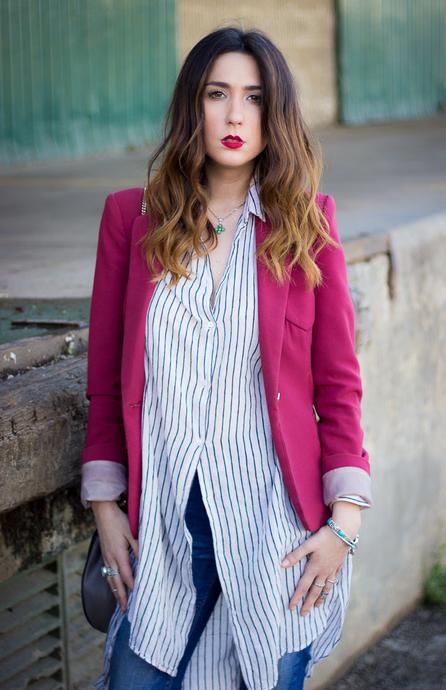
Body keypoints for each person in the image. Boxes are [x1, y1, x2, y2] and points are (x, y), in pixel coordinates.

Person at [80, 25, 373, 690]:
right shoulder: (131, 220)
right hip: (161, 530)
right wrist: (106, 510)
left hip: (273, 533)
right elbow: (104, 380)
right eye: (217, 94)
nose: (235, 115)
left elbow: (337, 386)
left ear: (277, 116)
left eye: (255, 98)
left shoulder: (308, 224)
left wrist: (343, 526)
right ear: (193, 106)